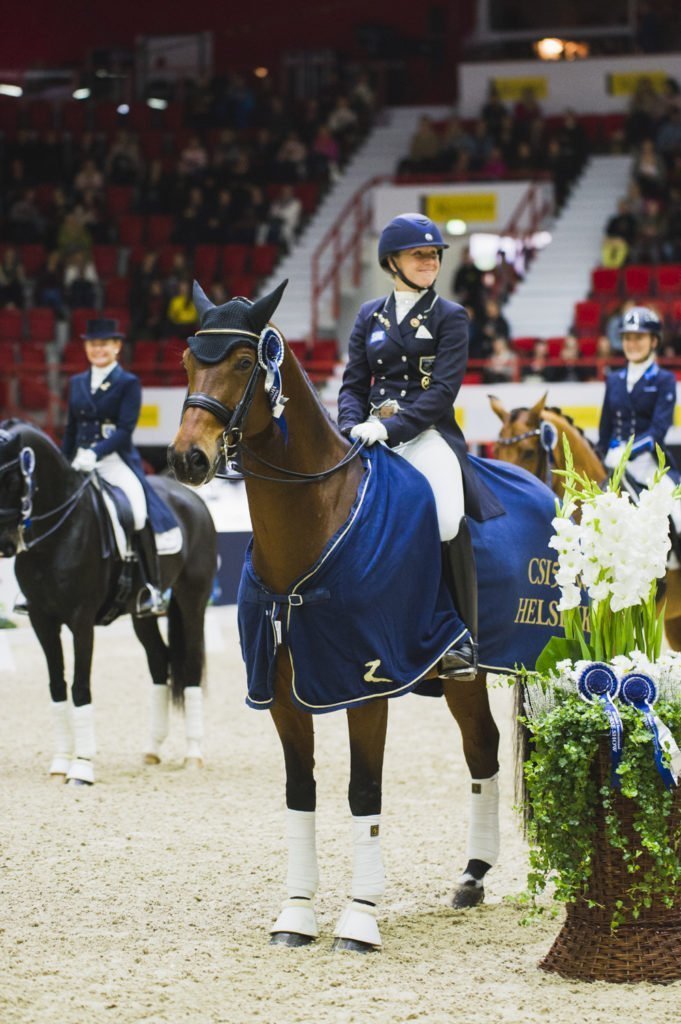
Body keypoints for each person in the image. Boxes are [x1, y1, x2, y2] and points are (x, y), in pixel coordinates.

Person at [337, 213, 503, 681]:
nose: (429, 261)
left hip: (426, 434)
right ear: (392, 261)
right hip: (369, 434)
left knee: (448, 518)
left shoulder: (450, 316)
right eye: (419, 254)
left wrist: (393, 429)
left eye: (433, 254)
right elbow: (352, 384)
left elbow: (441, 392)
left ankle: (461, 639)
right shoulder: (369, 314)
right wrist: (352, 425)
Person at [63, 318, 178, 615]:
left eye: (104, 343)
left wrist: (96, 453)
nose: (97, 349)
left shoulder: (128, 383)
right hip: (79, 460)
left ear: (116, 347)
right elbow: (71, 427)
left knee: (137, 512)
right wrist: (67, 462)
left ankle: (151, 587)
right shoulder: (76, 382)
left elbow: (125, 430)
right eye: (92, 343)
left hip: (115, 460)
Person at [597, 306, 681, 535]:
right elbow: (605, 428)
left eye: (639, 338)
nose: (632, 344)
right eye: (627, 338)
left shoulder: (664, 380)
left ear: (654, 341)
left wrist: (626, 452)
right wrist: (602, 455)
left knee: (679, 514)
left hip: (649, 465)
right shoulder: (614, 379)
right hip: (611, 464)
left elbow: (658, 431)